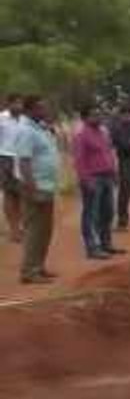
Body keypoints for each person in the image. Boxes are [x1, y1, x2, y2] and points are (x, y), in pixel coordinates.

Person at [14, 96, 60, 284]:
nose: (45, 110)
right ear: (30, 110)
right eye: (41, 108)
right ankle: (29, 271)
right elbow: (24, 162)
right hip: (35, 186)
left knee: (45, 230)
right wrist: (32, 189)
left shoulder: (39, 128)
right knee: (34, 230)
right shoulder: (25, 131)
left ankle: (38, 267)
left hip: (46, 186)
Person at [73, 105, 125, 260]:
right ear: (85, 117)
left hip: (107, 175)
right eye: (94, 114)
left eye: (99, 114)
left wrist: (114, 172)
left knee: (108, 212)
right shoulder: (81, 135)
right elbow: (79, 160)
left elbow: (109, 152)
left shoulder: (103, 131)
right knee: (91, 214)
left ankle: (106, 243)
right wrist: (86, 180)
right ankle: (92, 247)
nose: (98, 117)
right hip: (93, 178)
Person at [0, 93, 25, 243]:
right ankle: (13, 229)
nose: (19, 106)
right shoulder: (1, 118)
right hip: (5, 157)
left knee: (21, 194)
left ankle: (21, 226)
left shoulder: (24, 120)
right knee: (9, 194)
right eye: (15, 103)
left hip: (22, 158)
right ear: (9, 104)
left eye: (20, 103)